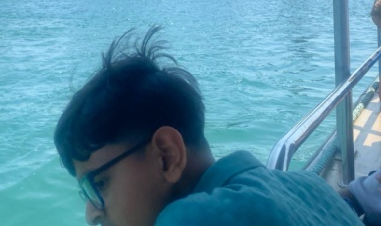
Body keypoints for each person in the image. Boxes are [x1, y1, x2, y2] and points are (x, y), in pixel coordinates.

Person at [54, 26, 362, 225]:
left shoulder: (189, 219)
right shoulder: (311, 187)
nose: (91, 213)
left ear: (167, 156)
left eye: (99, 184)